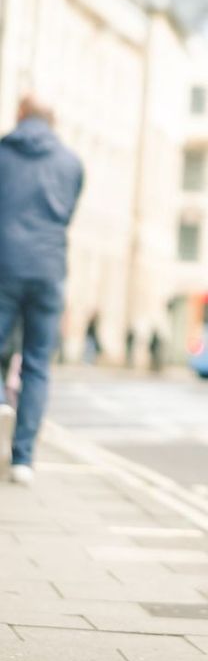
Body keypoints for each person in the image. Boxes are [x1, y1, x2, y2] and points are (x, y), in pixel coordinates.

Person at [0, 95, 84, 484]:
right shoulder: (70, 163)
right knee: (36, 363)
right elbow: (65, 215)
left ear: (20, 116)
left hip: (4, 263)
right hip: (49, 269)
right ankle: (23, 460)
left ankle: (1, 401)